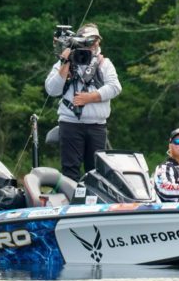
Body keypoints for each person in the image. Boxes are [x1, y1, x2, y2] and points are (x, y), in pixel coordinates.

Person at [45, 23, 122, 181]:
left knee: (96, 172)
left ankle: (94, 203)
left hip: (97, 125)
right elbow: (52, 90)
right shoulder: (65, 61)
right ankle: (71, 202)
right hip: (70, 123)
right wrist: (65, 62)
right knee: (70, 170)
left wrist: (90, 97)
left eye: (97, 40)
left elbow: (115, 87)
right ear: (80, 40)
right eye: (90, 40)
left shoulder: (103, 63)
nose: (94, 44)